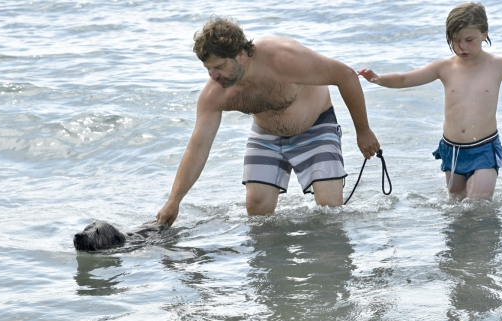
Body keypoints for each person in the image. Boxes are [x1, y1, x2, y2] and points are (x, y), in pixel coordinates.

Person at [156, 16, 380, 226]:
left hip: (316, 126)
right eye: (208, 69)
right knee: (257, 212)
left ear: (241, 54)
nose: (213, 76)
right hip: (266, 135)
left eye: (219, 66)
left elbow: (346, 75)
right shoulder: (215, 94)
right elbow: (198, 148)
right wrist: (174, 201)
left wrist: (364, 131)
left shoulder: (283, 58)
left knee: (329, 208)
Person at [358, 2, 502, 200]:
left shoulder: (500, 66)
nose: (462, 47)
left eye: (469, 40)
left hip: (484, 148)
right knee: (456, 202)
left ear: (484, 34)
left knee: (478, 206)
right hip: (451, 149)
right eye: (455, 41)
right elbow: (405, 79)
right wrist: (379, 79)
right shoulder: (444, 67)